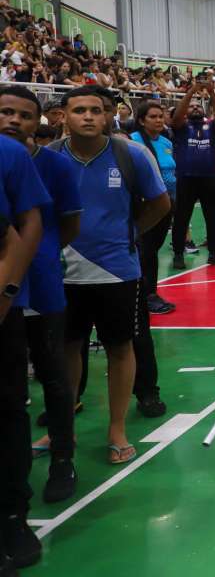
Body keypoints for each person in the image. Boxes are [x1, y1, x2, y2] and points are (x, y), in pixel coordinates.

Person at [54, 86, 171, 463]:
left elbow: (160, 203)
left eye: (95, 110)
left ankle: (116, 428)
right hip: (62, 272)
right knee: (67, 349)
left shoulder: (130, 154)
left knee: (121, 348)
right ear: (63, 116)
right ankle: (62, 429)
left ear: (107, 115)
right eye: (78, 110)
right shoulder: (49, 158)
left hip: (117, 271)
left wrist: (130, 233)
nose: (88, 116)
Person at [0, 86, 81, 504]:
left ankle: (63, 459)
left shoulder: (56, 167)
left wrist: (44, 253)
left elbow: (69, 224)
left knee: (53, 374)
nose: (15, 121)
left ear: (39, 123)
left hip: (42, 285)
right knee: (11, 388)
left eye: (25, 115)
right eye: (6, 112)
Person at [0, 115, 51, 572]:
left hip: (2, 306)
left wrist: (6, 295)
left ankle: (12, 515)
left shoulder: (8, 155)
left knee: (7, 410)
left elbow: (18, 234)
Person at [170, 78, 215, 269]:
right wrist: (191, 92)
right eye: (191, 106)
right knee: (181, 218)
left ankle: (213, 253)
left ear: (204, 110)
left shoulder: (212, 127)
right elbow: (177, 116)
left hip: (210, 179)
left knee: (213, 217)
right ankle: (178, 254)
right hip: (186, 179)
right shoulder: (181, 128)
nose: (195, 108)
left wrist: (212, 93)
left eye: (198, 106)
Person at [131, 102, 177, 314]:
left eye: (161, 116)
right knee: (146, 250)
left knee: (153, 249)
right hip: (146, 203)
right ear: (141, 120)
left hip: (167, 202)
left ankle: (147, 292)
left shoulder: (167, 142)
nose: (159, 120)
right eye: (153, 117)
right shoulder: (133, 141)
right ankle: (146, 295)